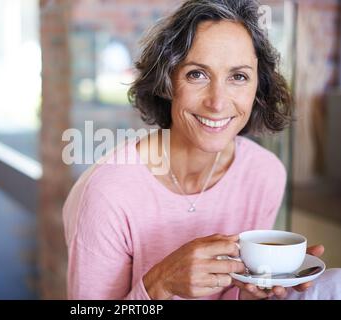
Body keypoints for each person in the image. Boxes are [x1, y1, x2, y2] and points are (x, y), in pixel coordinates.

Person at [62, 0, 341, 300]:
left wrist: (252, 293)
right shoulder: (109, 193)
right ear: (167, 81)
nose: (218, 102)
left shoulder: (264, 173)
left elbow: (231, 292)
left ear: (258, 88)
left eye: (238, 76)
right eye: (197, 74)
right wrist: (160, 285)